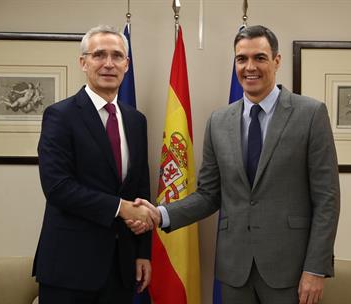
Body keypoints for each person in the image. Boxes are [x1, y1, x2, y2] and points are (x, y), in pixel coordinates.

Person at [128, 25, 340, 304]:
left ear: (276, 61)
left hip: (290, 271)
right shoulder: (219, 121)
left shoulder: (310, 114)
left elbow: (327, 199)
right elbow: (208, 195)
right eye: (242, 59)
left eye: (259, 58)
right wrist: (160, 213)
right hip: (234, 272)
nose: (249, 67)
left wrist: (316, 268)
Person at [33, 25, 157, 304]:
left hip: (122, 268)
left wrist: (142, 252)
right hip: (69, 268)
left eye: (117, 56)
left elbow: (140, 188)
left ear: (127, 64)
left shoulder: (136, 120)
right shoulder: (59, 116)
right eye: (99, 55)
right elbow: (58, 188)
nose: (109, 64)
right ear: (83, 62)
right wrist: (121, 208)